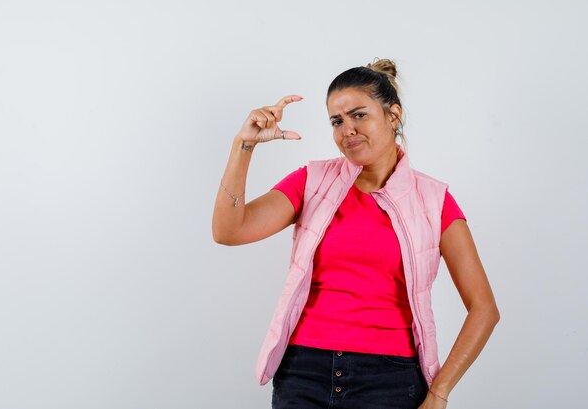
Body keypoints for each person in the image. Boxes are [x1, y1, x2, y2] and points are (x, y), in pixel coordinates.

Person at [212, 58, 500, 409]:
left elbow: (484, 308)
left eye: (359, 115)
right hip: (304, 372)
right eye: (337, 121)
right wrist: (244, 145)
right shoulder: (312, 182)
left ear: (392, 116)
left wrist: (439, 392)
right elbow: (229, 230)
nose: (346, 129)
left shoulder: (434, 200)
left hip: (390, 380)